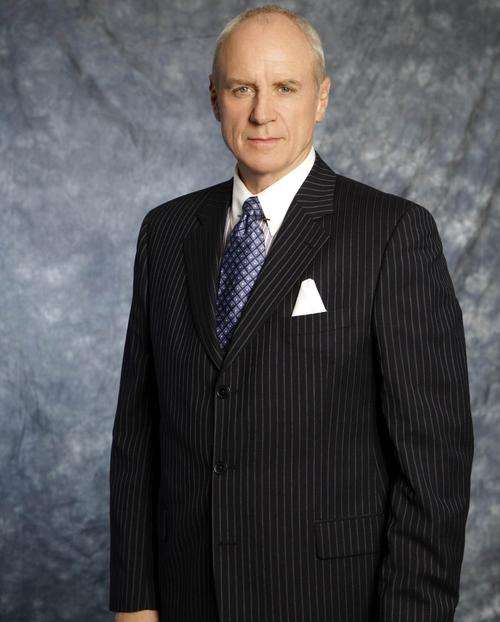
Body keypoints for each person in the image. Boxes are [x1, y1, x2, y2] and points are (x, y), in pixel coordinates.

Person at [108, 5, 474, 622]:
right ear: (214, 98)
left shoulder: (391, 233)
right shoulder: (166, 233)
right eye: (241, 89)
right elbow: (138, 431)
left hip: (328, 598)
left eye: (284, 87)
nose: (262, 112)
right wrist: (135, 599)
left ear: (321, 98)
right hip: (185, 596)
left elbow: (433, 466)